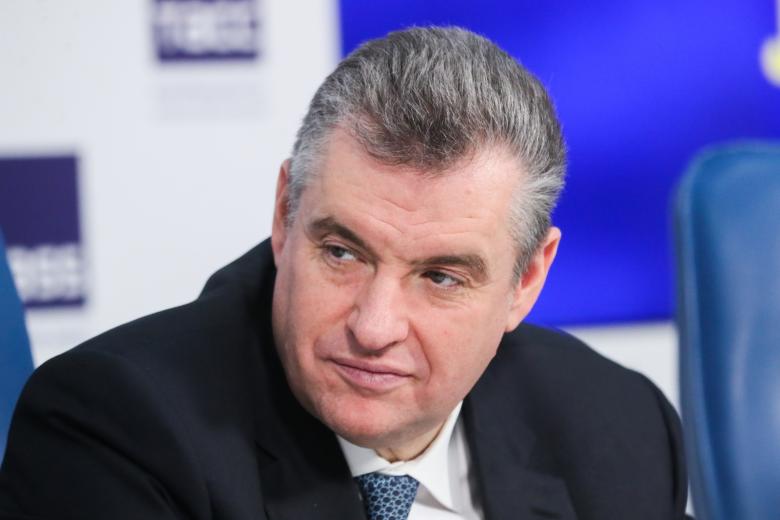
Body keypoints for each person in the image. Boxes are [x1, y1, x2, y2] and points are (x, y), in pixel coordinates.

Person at [0, 27, 691, 520]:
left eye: (441, 277)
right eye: (343, 253)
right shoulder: (116, 431)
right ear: (284, 214)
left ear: (527, 280)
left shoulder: (617, 426)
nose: (374, 327)